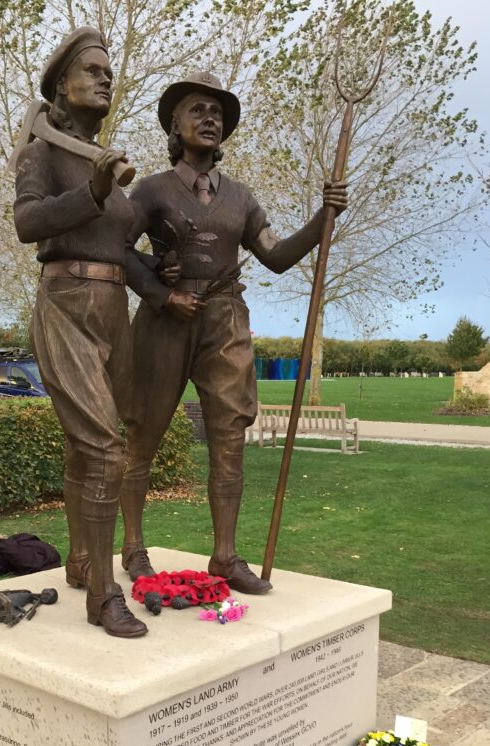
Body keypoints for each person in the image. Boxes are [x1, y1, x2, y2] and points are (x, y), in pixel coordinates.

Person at [122, 71, 347, 594]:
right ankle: (134, 547)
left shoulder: (242, 198)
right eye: (197, 110)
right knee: (143, 437)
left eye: (217, 114)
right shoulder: (152, 190)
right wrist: (160, 290)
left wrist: (323, 217)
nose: (210, 119)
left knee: (229, 438)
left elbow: (275, 255)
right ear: (174, 126)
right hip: (164, 323)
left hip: (224, 319)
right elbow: (118, 248)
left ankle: (224, 555)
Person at [13, 27, 147, 638]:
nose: (104, 78)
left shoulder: (105, 156)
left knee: (83, 447)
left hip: (115, 309)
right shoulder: (43, 151)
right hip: (66, 303)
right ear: (61, 84)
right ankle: (102, 594)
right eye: (91, 70)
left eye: (108, 72)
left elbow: (124, 248)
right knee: (105, 450)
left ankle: (81, 558)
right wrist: (92, 191)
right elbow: (28, 222)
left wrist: (161, 268)